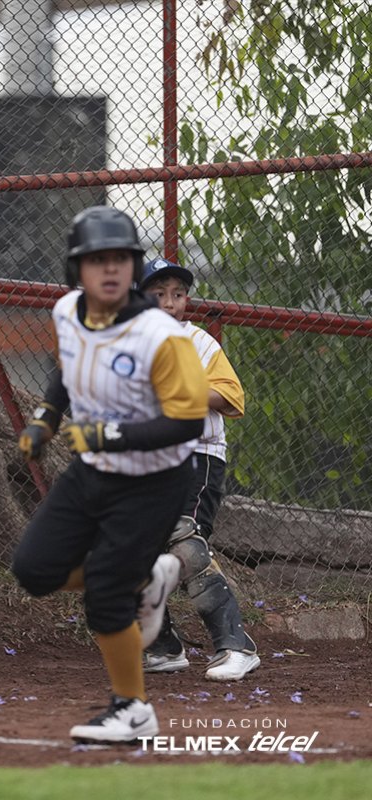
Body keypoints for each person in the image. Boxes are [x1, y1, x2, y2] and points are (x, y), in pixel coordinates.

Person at [12, 205, 208, 744]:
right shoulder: (67, 311)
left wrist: (106, 435)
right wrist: (45, 419)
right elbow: (67, 369)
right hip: (93, 471)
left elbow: (187, 421)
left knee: (105, 591)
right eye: (97, 259)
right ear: (76, 269)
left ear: (134, 266)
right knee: (33, 570)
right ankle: (147, 577)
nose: (111, 268)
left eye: (121, 258)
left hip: (154, 480)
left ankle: (133, 709)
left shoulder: (159, 335)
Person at [139, 258, 260, 681]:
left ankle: (237, 646)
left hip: (197, 457)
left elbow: (232, 396)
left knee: (185, 542)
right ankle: (163, 648)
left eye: (178, 294)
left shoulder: (198, 341)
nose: (169, 303)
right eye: (158, 294)